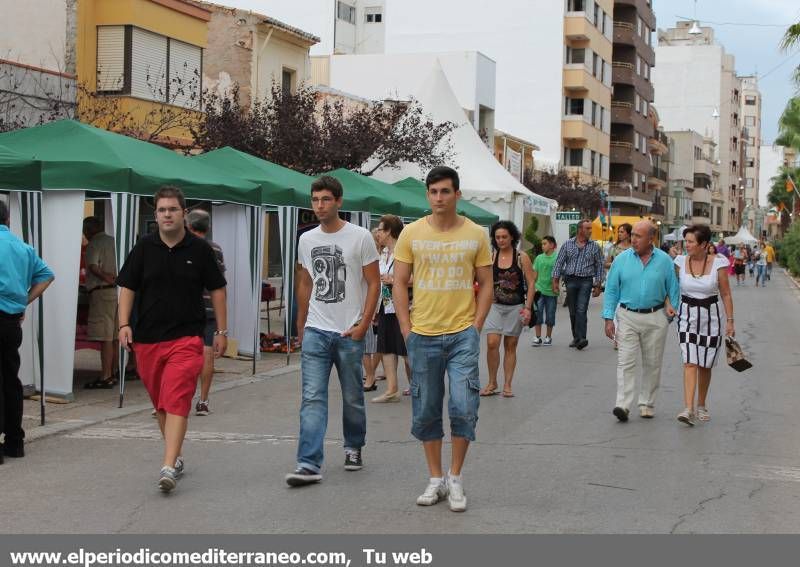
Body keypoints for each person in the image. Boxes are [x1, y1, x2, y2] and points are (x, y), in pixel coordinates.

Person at [393, 166, 493, 513]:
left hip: (462, 333)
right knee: (426, 409)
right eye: (433, 192)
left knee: (465, 406)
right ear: (427, 195)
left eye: (445, 192)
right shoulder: (411, 234)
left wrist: (476, 326)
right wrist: (406, 328)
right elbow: (399, 282)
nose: (438, 198)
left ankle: (456, 476)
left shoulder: (476, 234)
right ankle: (435, 478)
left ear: (457, 195)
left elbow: (487, 284)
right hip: (422, 334)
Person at [117, 186, 228, 492]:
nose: (167, 215)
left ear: (183, 213)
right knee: (161, 404)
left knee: (177, 397)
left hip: (187, 337)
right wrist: (124, 324)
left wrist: (221, 330)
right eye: (162, 210)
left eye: (172, 210)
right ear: (156, 215)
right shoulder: (143, 248)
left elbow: (217, 289)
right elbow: (127, 287)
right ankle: (175, 455)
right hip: (148, 339)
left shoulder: (200, 249)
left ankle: (167, 466)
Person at [285, 176, 381, 487]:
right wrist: (300, 322)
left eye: (326, 199)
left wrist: (364, 323)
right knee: (312, 397)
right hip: (316, 328)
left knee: (352, 396)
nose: (320, 205)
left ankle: (353, 446)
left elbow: (374, 283)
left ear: (339, 201)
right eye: (315, 200)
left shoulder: (360, 237)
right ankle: (308, 463)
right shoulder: (306, 239)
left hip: (348, 331)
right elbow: (305, 281)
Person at [603, 221, 679, 422]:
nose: (633, 239)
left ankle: (646, 403)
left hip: (655, 316)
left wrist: (669, 315)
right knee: (625, 361)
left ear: (651, 239)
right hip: (627, 315)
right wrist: (608, 317)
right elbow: (611, 289)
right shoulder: (621, 260)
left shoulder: (664, 261)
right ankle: (623, 405)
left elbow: (673, 288)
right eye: (633, 235)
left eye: (638, 236)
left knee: (652, 363)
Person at [0, 200, 54, 463]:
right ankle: (14, 441)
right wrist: (24, 301)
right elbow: (46, 276)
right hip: (11, 320)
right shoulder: (23, 248)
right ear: (8, 219)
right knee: (11, 379)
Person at [673, 224, 735, 426]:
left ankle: (701, 405)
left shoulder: (719, 263)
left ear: (704, 244)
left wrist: (730, 321)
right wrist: (668, 304)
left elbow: (725, 293)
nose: (687, 245)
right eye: (686, 241)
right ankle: (688, 408)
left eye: (691, 242)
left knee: (705, 364)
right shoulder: (680, 261)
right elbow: (670, 286)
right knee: (689, 361)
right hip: (686, 317)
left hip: (711, 319)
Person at [481, 221, 535, 398]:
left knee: (510, 345)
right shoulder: (490, 256)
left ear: (512, 236)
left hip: (515, 307)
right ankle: (492, 381)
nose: (501, 240)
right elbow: (484, 281)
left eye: (504, 237)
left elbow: (531, 282)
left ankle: (507, 384)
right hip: (494, 306)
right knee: (492, 343)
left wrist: (528, 308)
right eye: (497, 237)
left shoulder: (521, 257)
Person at [185, 209, 226, 416]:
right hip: (209, 308)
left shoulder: (182, 246)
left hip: (187, 308)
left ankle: (173, 399)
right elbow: (220, 284)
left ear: (188, 225)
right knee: (207, 353)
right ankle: (203, 400)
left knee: (181, 354)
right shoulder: (216, 249)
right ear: (207, 227)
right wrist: (223, 328)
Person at [372, 214, 412, 402]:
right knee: (387, 346)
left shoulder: (405, 252)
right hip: (386, 305)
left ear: (389, 231)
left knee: (406, 350)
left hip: (404, 306)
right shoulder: (383, 253)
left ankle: (417, 385)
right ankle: (391, 389)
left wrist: (395, 280)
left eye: (380, 229)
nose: (377, 233)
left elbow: (418, 279)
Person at [551, 219, 604, 350]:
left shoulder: (594, 246)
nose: (590, 231)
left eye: (590, 228)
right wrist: (555, 281)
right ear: (580, 229)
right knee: (573, 311)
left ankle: (582, 338)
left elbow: (600, 266)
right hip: (570, 280)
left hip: (586, 281)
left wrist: (598, 285)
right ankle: (576, 337)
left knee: (581, 309)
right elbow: (559, 262)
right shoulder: (568, 244)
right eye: (588, 228)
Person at [82, 216, 119, 389]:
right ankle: (114, 372)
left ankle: (106, 376)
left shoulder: (94, 243)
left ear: (89, 230)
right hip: (116, 293)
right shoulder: (114, 241)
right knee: (114, 336)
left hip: (102, 291)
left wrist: (106, 278)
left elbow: (92, 266)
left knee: (105, 337)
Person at [531, 236, 558, 346]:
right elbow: (535, 275)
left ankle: (548, 337)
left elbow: (558, 274)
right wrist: (532, 288)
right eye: (542, 244)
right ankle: (538, 337)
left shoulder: (557, 258)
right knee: (538, 313)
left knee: (550, 315)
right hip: (539, 291)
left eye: (545, 243)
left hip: (551, 292)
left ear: (552, 245)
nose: (543, 246)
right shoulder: (539, 258)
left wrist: (556, 285)